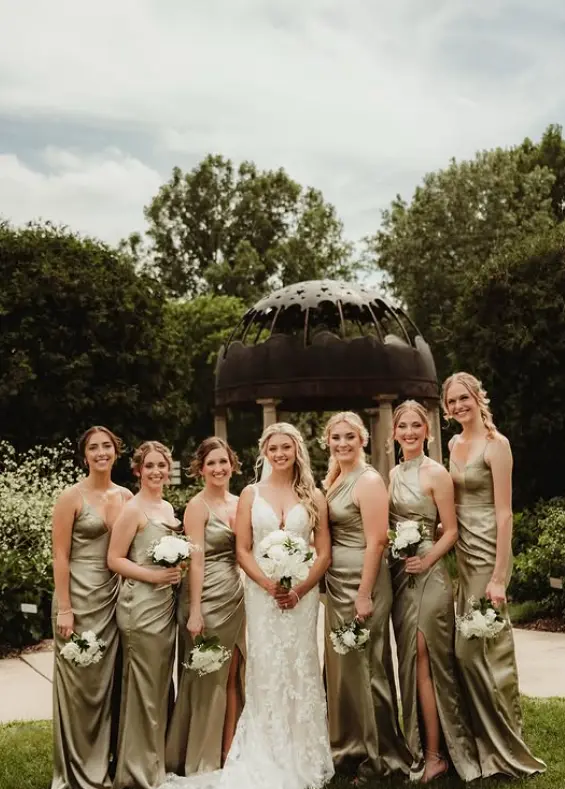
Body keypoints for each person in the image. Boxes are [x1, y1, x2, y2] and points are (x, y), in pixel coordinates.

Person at [161, 422, 334, 789]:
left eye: (286, 447)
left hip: (302, 599)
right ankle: (265, 750)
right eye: (273, 448)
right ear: (264, 452)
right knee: (266, 668)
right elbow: (242, 550)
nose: (279, 454)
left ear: (296, 450)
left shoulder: (314, 497)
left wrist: (301, 588)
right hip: (262, 596)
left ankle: (304, 751)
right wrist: (270, 584)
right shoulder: (251, 495)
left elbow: (324, 552)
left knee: (300, 666)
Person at [443, 372, 546, 778]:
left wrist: (499, 577)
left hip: (489, 552)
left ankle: (507, 745)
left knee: (487, 649)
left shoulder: (496, 445)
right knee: (467, 654)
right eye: (451, 402)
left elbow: (505, 513)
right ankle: (481, 743)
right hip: (463, 554)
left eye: (463, 398)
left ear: (477, 397)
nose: (457, 407)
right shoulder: (453, 444)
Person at [388, 400, 480, 783]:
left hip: (430, 574)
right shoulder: (391, 474)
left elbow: (452, 530)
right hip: (401, 577)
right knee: (410, 661)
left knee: (427, 658)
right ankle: (421, 747)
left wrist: (426, 561)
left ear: (427, 431)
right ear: (394, 432)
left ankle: (437, 754)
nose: (409, 432)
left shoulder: (436, 473)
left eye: (416, 426)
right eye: (403, 426)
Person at [322, 411, 410, 778]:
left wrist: (363, 593)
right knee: (344, 669)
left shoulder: (369, 481)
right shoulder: (336, 478)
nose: (342, 443)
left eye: (349, 437)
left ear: (363, 440)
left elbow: (377, 541)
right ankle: (348, 747)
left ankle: (381, 756)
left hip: (363, 582)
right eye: (335, 437)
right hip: (337, 582)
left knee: (369, 667)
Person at [51, 425, 131, 789]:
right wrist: (65, 607)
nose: (101, 453)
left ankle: (107, 763)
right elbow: (60, 554)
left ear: (116, 452)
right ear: (85, 456)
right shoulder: (71, 497)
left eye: (107, 447)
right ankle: (76, 770)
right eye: (94, 448)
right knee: (79, 687)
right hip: (78, 599)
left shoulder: (127, 496)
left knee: (109, 684)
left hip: (113, 600)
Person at [166, 438, 245, 775]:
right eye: (211, 463)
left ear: (233, 464)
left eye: (223, 462)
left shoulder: (242, 503)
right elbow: (195, 563)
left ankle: (230, 752)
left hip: (234, 597)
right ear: (200, 469)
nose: (218, 468)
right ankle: (199, 755)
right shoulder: (197, 507)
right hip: (204, 598)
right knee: (204, 678)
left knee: (231, 677)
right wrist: (195, 611)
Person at [108, 441, 184, 789]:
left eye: (162, 465)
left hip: (164, 605)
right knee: (141, 688)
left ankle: (156, 760)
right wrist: (154, 575)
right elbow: (115, 559)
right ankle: (135, 771)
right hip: (139, 607)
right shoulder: (133, 509)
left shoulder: (167, 506)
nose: (156, 472)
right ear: (138, 470)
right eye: (149, 466)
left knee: (158, 685)